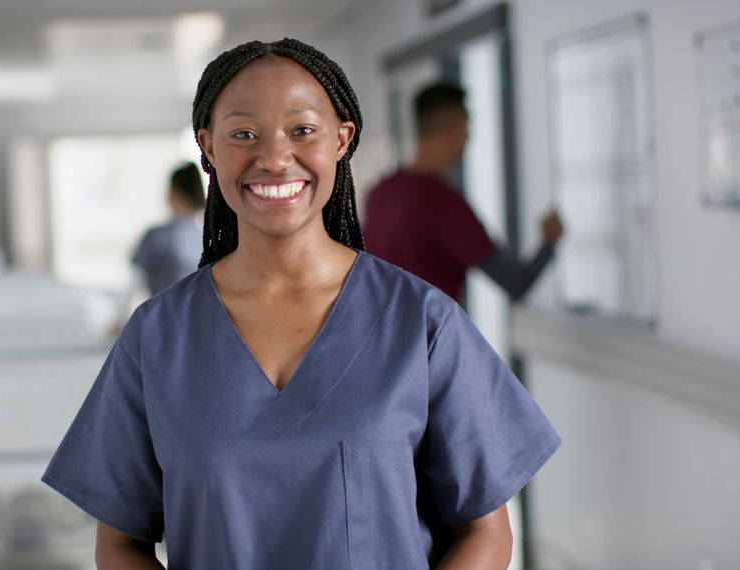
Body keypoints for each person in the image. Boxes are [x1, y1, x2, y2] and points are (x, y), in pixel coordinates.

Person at [42, 39, 560, 569]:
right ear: (209, 146)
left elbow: (486, 534)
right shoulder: (158, 336)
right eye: (244, 134)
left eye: (302, 130)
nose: (273, 158)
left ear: (342, 139)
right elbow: (120, 543)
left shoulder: (423, 322)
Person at [363, 82, 564, 304]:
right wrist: (549, 241)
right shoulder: (443, 204)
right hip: (429, 337)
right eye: (467, 129)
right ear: (452, 129)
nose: (468, 139)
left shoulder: (378, 195)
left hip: (379, 336)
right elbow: (516, 283)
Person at [131, 163, 206, 296]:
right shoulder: (207, 239)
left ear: (174, 191)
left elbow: (134, 283)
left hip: (161, 314)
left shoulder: (156, 237)